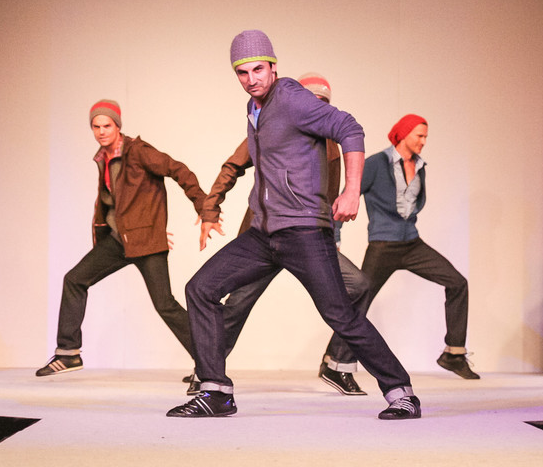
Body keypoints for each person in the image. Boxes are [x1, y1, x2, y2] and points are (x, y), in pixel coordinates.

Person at [168, 30, 420, 419]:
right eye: (242, 73)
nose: (251, 79)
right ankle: (216, 392)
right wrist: (212, 210)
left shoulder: (290, 98)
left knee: (340, 314)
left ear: (273, 67)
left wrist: (352, 190)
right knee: (201, 288)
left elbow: (349, 128)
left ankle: (401, 393)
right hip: (263, 234)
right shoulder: (255, 109)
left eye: (258, 70)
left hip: (303, 231)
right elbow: (243, 165)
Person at [189, 73, 369, 397]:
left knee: (357, 285)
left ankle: (337, 363)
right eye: (311, 99)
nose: (316, 106)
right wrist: (210, 210)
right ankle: (207, 372)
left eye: (323, 102)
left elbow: (328, 195)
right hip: (263, 236)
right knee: (238, 302)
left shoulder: (330, 144)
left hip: (307, 239)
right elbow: (232, 166)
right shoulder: (274, 126)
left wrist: (333, 236)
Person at [36, 99, 207, 377]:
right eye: (96, 127)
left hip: (146, 243)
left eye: (107, 125)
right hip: (118, 241)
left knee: (165, 305)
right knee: (74, 280)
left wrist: (203, 207)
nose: (101, 131)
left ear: (117, 126)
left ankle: (208, 362)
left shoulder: (138, 152)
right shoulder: (103, 158)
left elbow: (178, 170)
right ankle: (68, 354)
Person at [325, 114, 479, 380]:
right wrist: (335, 236)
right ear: (404, 134)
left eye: (426, 136)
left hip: (411, 243)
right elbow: (347, 198)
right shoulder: (376, 164)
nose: (423, 141)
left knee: (457, 283)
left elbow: (413, 205)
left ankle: (454, 354)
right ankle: (334, 361)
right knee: (360, 301)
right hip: (383, 245)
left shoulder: (420, 167)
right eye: (419, 135)